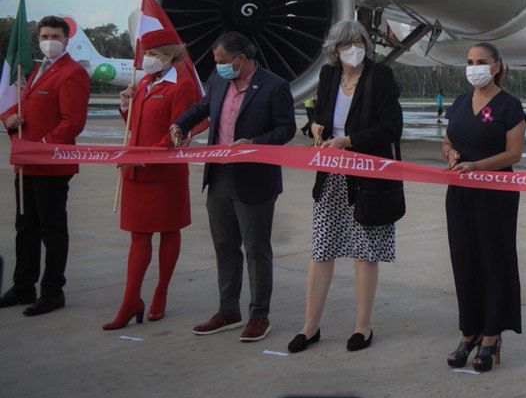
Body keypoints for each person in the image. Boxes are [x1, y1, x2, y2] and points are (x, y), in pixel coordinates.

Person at [170, 31, 295, 342]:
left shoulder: (273, 86)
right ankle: (228, 310)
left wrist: (253, 144)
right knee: (225, 247)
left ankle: (259, 315)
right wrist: (180, 124)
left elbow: (286, 129)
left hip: (254, 179)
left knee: (256, 250)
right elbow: (203, 107)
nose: (220, 67)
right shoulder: (219, 80)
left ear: (242, 58)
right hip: (219, 177)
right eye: (217, 62)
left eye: (224, 62)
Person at [291, 21, 404, 354]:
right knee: (322, 249)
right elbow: (318, 117)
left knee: (364, 252)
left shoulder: (380, 77)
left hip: (366, 177)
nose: (353, 48)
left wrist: (349, 141)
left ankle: (362, 327)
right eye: (346, 44)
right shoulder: (328, 77)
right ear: (334, 49)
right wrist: (313, 128)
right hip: (331, 177)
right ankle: (310, 327)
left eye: (358, 42)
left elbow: (391, 128)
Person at [103, 29, 201, 330]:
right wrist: (124, 105)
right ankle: (130, 300)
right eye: (145, 54)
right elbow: (135, 125)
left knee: (168, 232)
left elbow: (178, 130)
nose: (147, 60)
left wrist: (153, 154)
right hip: (135, 171)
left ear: (170, 55)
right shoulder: (144, 83)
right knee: (138, 235)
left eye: (153, 54)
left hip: (164, 173)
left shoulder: (180, 86)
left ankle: (160, 293)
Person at [441, 41, 526, 372]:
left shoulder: (509, 105)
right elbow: (448, 141)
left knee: (494, 260)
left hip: (495, 193)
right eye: (469, 61)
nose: (473, 66)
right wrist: (450, 154)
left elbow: (513, 154)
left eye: (480, 61)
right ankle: (469, 332)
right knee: (463, 259)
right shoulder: (461, 102)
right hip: (460, 192)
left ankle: (491, 337)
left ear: (495, 66)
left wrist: (477, 166)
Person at [0, 15, 89, 316]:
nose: (48, 41)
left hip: (51, 165)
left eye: (55, 35)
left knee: (52, 229)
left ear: (66, 39)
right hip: (26, 163)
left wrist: (42, 147)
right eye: (44, 35)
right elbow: (21, 109)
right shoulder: (35, 70)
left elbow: (73, 122)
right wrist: (12, 122)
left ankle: (52, 290)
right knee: (25, 226)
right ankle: (23, 285)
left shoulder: (72, 72)